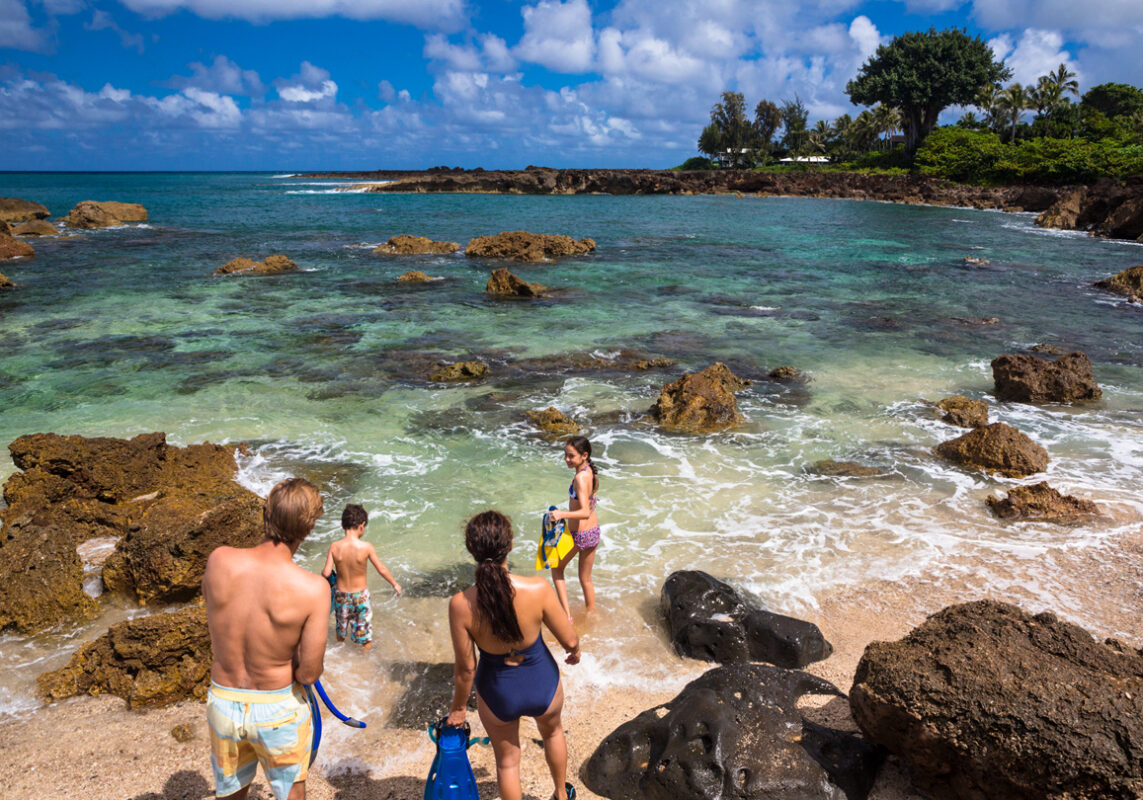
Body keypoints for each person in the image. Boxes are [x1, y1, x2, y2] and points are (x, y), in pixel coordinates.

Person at [202, 477, 330, 800]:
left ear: (266, 515)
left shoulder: (218, 560)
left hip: (224, 704)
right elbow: (309, 674)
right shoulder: (313, 589)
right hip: (277, 709)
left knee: (230, 794)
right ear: (309, 528)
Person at [446, 510, 581, 800]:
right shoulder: (538, 588)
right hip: (541, 681)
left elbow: (466, 669)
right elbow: (569, 640)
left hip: (497, 692)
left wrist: (458, 709)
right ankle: (560, 793)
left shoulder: (460, 604)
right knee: (553, 733)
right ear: (510, 544)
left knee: (507, 763)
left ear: (471, 550)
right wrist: (575, 650)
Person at [321, 503, 402, 652]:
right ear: (362, 525)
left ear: (342, 524)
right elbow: (381, 569)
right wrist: (395, 584)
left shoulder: (335, 546)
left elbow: (326, 573)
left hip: (341, 596)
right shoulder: (366, 547)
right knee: (365, 635)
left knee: (341, 630)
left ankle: (340, 655)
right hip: (361, 597)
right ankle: (365, 657)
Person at [548, 436, 600, 622]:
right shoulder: (589, 473)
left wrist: (562, 514)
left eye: (571, 456)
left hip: (580, 535)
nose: (567, 459)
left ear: (584, 455)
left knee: (556, 568)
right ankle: (592, 615)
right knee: (585, 579)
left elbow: (584, 511)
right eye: (565, 455)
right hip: (593, 532)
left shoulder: (579, 477)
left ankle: (566, 617)